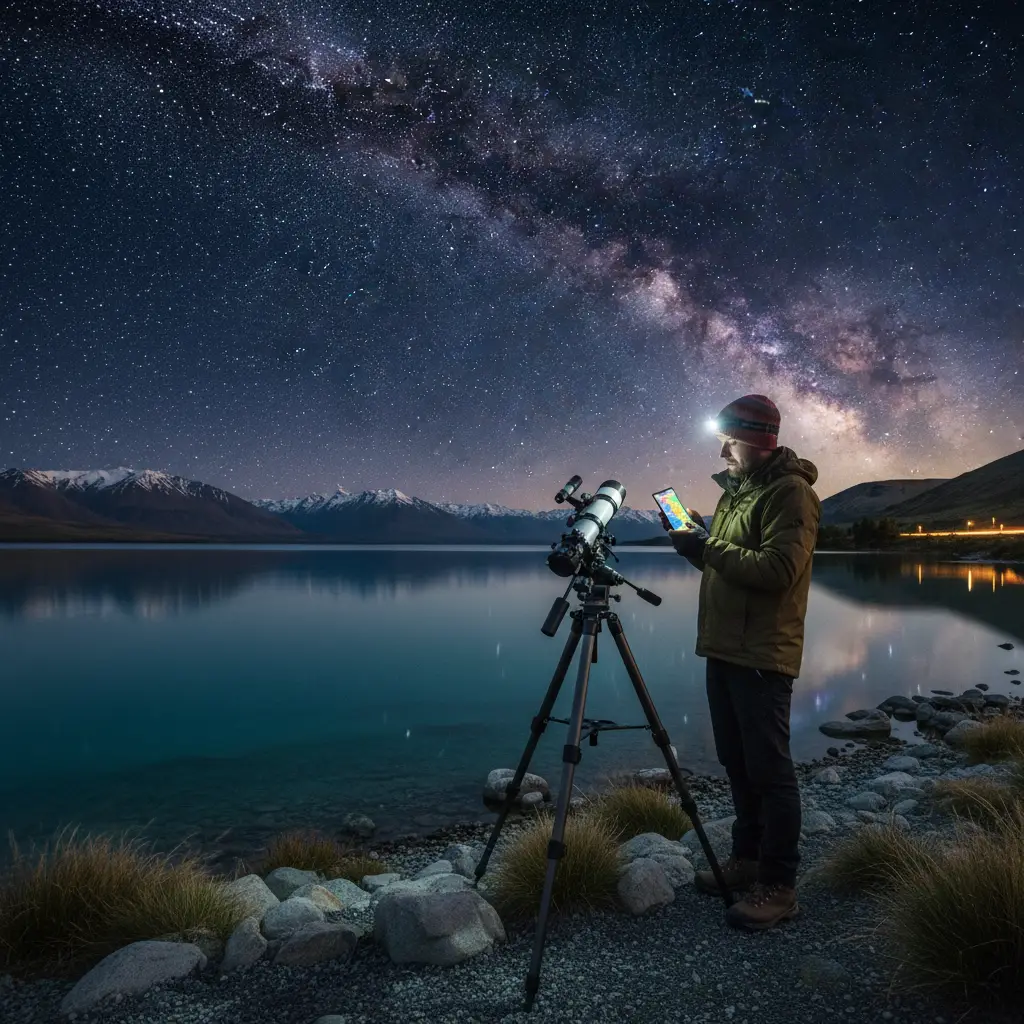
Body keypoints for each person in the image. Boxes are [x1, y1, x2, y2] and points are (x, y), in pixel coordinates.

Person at [659, 394, 820, 931]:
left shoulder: (790, 492)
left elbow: (777, 570)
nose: (722, 450)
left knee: (770, 771)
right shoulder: (739, 493)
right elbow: (731, 560)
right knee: (736, 761)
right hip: (726, 649)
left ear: (753, 440)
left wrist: (706, 548)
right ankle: (747, 860)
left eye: (728, 439)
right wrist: (699, 544)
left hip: (762, 655)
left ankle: (778, 885)